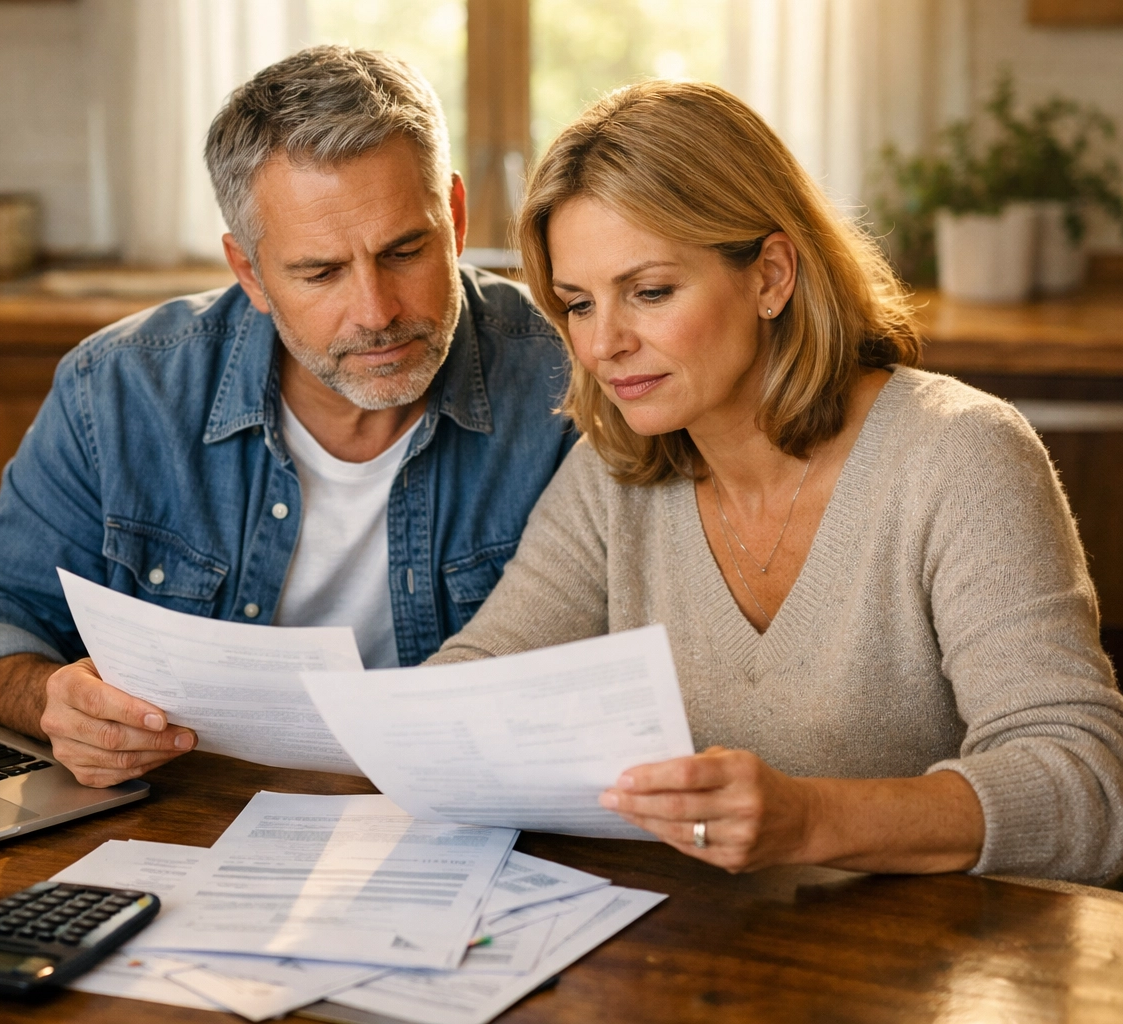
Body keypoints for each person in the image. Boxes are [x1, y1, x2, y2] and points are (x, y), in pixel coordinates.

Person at [429, 79, 1123, 884]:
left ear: (771, 276)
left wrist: (810, 820)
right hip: (700, 962)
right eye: (579, 304)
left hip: (932, 979)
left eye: (649, 292)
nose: (603, 344)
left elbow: (1089, 789)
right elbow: (474, 681)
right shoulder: (613, 470)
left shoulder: (959, 455)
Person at [0, 46, 576, 790]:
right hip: (195, 818)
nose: (377, 313)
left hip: (470, 817)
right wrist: (52, 700)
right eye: (321, 272)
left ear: (457, 216)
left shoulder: (569, 380)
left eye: (405, 250)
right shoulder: (118, 391)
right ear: (248, 271)